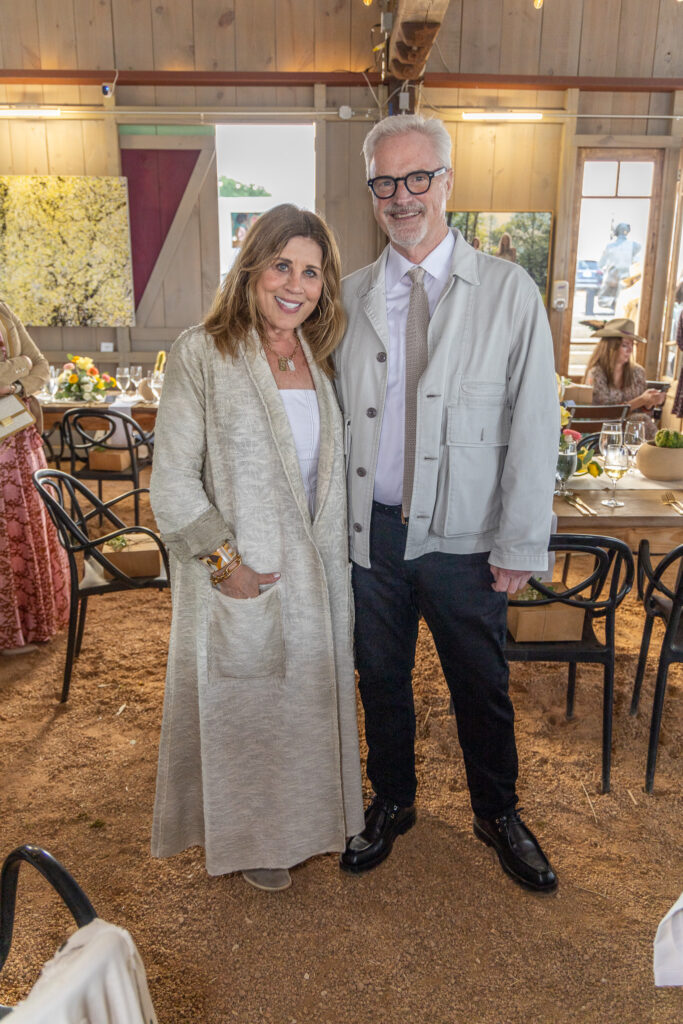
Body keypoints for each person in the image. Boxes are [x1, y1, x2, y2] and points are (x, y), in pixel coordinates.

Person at [334, 114, 559, 892]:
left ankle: (496, 812)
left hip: (468, 540)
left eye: (417, 177)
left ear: (448, 183)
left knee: (480, 685)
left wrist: (521, 544)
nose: (402, 197)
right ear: (371, 192)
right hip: (374, 540)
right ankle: (393, 800)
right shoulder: (350, 296)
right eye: (384, 182)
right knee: (379, 679)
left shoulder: (507, 291)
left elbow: (533, 424)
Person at [149, 204, 364, 893]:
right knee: (249, 713)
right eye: (282, 265)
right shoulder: (202, 353)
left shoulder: (320, 358)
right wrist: (223, 565)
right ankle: (252, 837)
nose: (295, 284)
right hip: (243, 575)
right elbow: (173, 481)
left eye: (311, 270)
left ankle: (306, 827)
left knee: (301, 708)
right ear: (252, 267)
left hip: (315, 578)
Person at [0, 300, 70, 655]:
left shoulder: (3, 309)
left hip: (18, 435)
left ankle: (29, 628)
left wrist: (15, 386)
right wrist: (19, 366)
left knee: (26, 530)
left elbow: (41, 367)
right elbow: (28, 364)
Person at [583, 318, 664, 440]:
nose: (630, 350)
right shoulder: (596, 374)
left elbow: (644, 413)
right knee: (641, 420)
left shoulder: (638, 372)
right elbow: (602, 414)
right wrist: (641, 400)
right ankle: (659, 452)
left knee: (642, 420)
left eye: (632, 345)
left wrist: (649, 403)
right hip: (602, 432)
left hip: (633, 432)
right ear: (611, 347)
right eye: (625, 345)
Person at [597, 223, 641, 313]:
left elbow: (601, 263)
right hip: (625, 278)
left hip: (613, 277)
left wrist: (604, 268)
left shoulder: (610, 246)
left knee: (604, 299)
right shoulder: (634, 245)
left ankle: (614, 304)